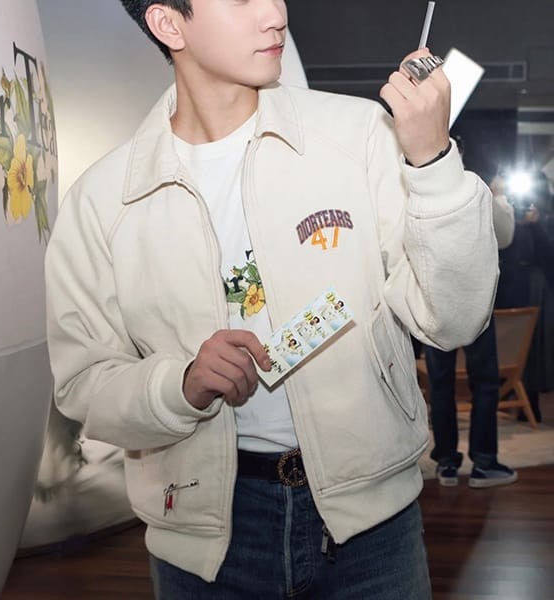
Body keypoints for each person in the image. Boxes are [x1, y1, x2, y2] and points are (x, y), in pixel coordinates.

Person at [45, 1, 498, 598]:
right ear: (169, 24)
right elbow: (84, 384)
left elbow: (455, 320)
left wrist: (433, 161)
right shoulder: (103, 201)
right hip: (206, 537)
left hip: (372, 524)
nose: (276, 13)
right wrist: (180, 385)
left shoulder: (360, 135)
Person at [423, 169, 518, 489]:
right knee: (485, 382)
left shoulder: (422, 189)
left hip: (436, 300)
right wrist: (499, 195)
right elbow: (505, 237)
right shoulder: (476, 189)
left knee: (440, 385)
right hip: (474, 298)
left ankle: (447, 463)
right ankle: (484, 463)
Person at [496, 171, 554, 422]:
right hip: (508, 282)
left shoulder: (546, 217)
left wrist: (536, 224)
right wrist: (514, 222)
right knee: (507, 339)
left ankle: (531, 400)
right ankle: (505, 392)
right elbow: (501, 246)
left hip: (536, 285)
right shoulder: (506, 210)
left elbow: (549, 258)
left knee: (536, 344)